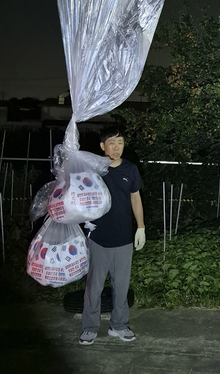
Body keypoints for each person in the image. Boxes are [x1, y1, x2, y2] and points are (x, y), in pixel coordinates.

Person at [79, 125, 145, 346]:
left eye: (121, 143)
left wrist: (141, 227)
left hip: (123, 238)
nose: (117, 148)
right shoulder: (93, 169)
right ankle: (89, 328)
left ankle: (118, 325)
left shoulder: (130, 169)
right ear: (102, 146)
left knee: (121, 286)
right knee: (94, 287)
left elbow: (136, 199)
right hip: (98, 237)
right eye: (112, 143)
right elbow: (79, 195)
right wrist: (83, 218)